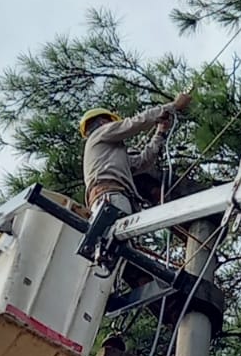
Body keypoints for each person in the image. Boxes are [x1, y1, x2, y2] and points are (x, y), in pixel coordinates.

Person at [78, 92, 193, 251]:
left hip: (114, 197)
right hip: (111, 197)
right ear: (104, 121)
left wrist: (159, 133)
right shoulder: (100, 134)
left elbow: (143, 162)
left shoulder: (111, 156)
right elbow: (134, 123)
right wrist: (173, 106)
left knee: (122, 252)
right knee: (120, 249)